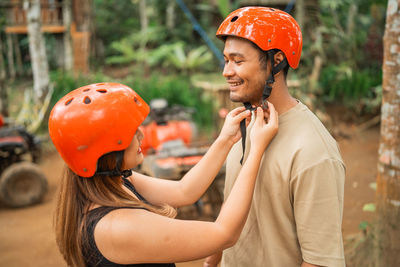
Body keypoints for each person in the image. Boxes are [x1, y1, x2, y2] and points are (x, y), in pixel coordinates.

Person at [49, 82, 278, 267]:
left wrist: (226, 138)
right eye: (130, 132)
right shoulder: (115, 227)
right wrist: (256, 150)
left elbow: (184, 190)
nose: (141, 134)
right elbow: (224, 234)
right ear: (105, 149)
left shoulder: (114, 182)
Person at [204, 6, 346, 267]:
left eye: (238, 61)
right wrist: (209, 263)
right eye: (226, 60)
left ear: (277, 60)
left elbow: (320, 261)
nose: (226, 71)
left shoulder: (313, 151)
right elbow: (230, 209)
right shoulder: (243, 127)